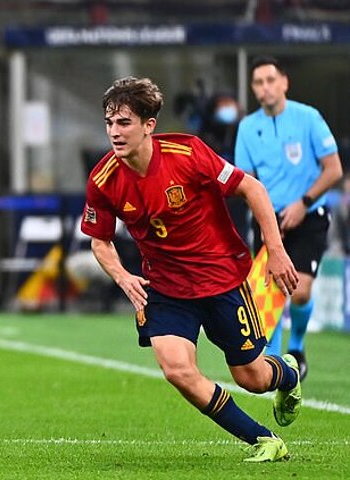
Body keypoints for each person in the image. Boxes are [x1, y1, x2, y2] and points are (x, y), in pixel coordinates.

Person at [82, 76, 302, 462]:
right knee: (177, 370)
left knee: (252, 377)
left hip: (221, 278)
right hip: (164, 287)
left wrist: (276, 250)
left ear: (149, 125)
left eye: (124, 123)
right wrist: (123, 276)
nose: (114, 132)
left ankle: (287, 374)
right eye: (109, 123)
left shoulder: (188, 153)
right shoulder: (103, 180)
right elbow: (100, 241)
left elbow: (252, 188)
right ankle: (264, 439)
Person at [234, 56, 344, 380]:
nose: (265, 88)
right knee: (270, 292)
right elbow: (245, 181)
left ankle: (296, 345)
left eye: (271, 80)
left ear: (284, 82)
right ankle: (274, 362)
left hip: (309, 214)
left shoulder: (308, 118)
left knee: (300, 291)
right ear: (253, 88)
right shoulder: (247, 127)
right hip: (268, 218)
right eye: (258, 82)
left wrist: (303, 203)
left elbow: (333, 169)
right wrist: (264, 217)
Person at [199, 92, 248, 242]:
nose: (227, 109)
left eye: (229, 104)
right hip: (213, 197)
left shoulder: (244, 131)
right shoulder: (206, 135)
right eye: (223, 105)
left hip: (237, 195)